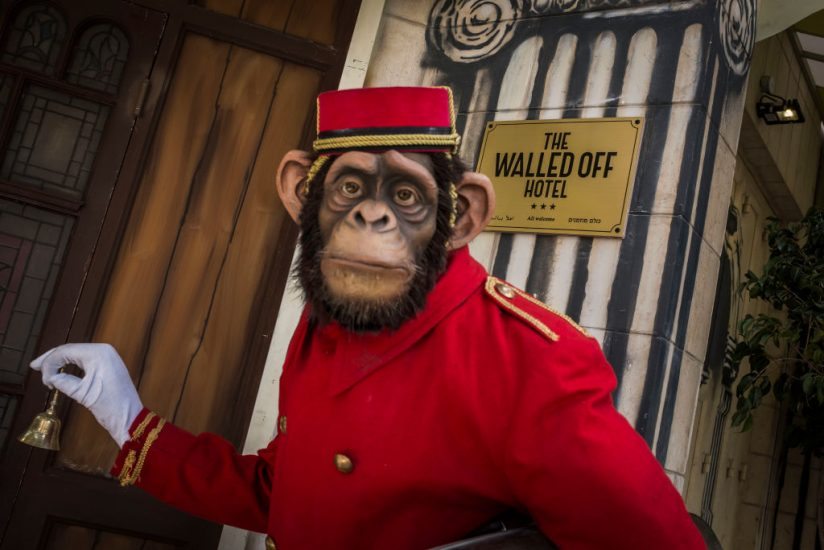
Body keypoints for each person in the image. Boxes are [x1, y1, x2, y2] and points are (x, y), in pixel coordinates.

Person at [30, 86, 704, 549]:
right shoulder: (326, 324)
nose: (372, 216)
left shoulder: (525, 360)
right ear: (303, 197)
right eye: (350, 188)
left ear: (460, 217)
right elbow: (288, 495)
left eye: (405, 194)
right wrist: (129, 420)